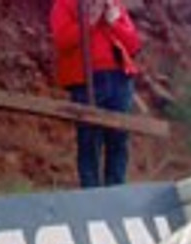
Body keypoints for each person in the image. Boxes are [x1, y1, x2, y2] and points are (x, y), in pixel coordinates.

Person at [50, 0, 141, 188]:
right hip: (86, 81)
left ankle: (115, 194)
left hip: (119, 79)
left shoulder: (113, 5)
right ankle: (91, 198)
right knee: (89, 142)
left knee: (118, 141)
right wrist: (89, 21)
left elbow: (133, 45)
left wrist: (114, 23)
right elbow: (62, 41)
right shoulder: (65, 4)